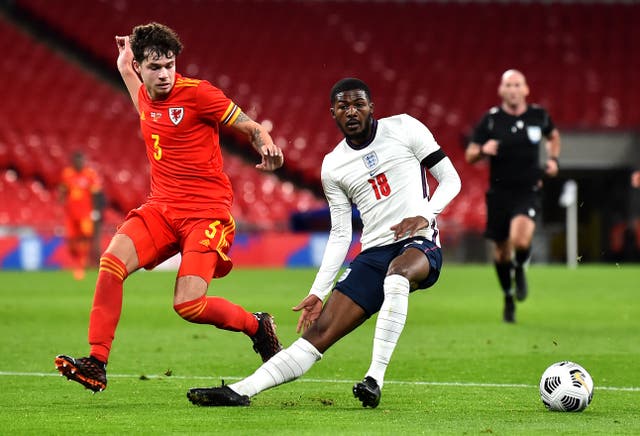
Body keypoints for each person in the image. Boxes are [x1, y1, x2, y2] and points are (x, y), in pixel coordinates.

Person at [186, 77, 461, 408]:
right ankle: (241, 390)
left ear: (372, 107)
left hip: (419, 241)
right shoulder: (333, 165)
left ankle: (374, 378)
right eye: (343, 106)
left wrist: (426, 215)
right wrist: (319, 290)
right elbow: (342, 233)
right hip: (373, 252)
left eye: (359, 104)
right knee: (317, 336)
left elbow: (451, 179)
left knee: (398, 274)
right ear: (333, 113)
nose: (352, 111)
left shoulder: (405, 127)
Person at [54, 22, 284, 393]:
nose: (164, 74)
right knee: (110, 263)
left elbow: (252, 126)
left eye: (169, 65)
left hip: (206, 212)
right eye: (155, 67)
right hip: (161, 208)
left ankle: (257, 326)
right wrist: (125, 56)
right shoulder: (143, 96)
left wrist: (267, 146)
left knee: (188, 305)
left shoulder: (199, 94)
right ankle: (96, 362)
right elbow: (125, 70)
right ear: (142, 70)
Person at [465, 69, 561, 323]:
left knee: (520, 240)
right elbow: (470, 153)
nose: (513, 89)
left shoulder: (538, 115)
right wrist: (483, 149)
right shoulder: (491, 120)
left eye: (518, 85)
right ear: (501, 90)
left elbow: (553, 137)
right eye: (508, 85)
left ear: (526, 89)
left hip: (528, 190)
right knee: (500, 252)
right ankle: (508, 296)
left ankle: (520, 269)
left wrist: (552, 159)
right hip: (499, 193)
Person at [59, 151, 103, 280]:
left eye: (81, 161)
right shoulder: (67, 174)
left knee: (84, 238)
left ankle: (80, 266)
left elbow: (96, 194)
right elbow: (63, 190)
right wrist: (61, 201)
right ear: (73, 162)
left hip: (85, 214)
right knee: (72, 241)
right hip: (71, 214)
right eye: (78, 161)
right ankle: (76, 261)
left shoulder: (90, 174)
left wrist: (95, 211)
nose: (80, 163)